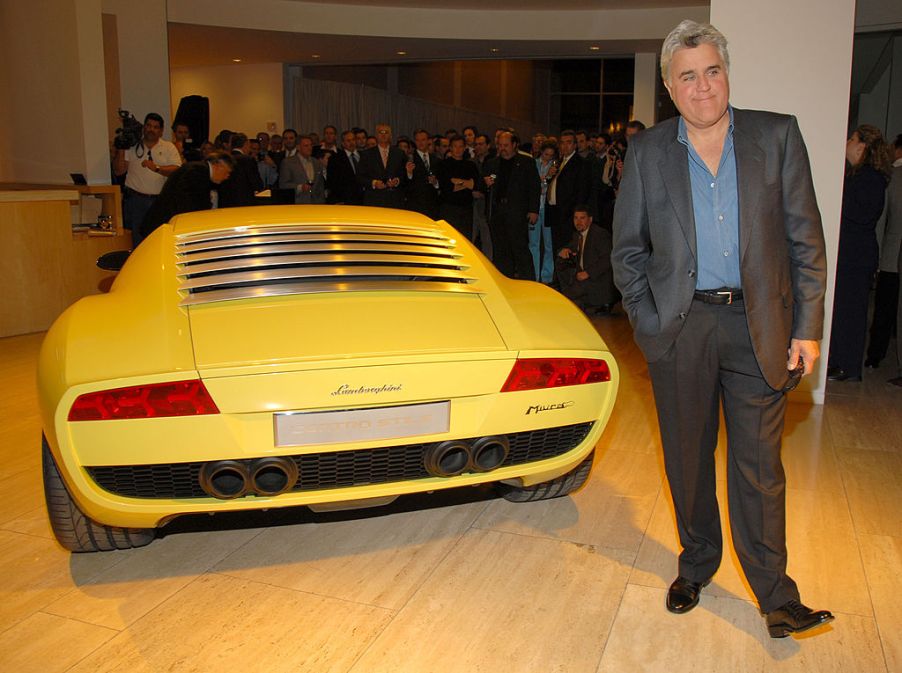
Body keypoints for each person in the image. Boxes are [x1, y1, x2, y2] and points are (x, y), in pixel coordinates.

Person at [611, 20, 833, 638]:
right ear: (669, 86)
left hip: (758, 326)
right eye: (688, 76)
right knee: (686, 458)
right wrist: (647, 320)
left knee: (759, 466)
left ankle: (776, 594)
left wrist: (807, 326)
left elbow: (805, 240)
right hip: (680, 328)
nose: (703, 86)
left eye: (712, 70)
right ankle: (697, 562)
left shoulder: (777, 135)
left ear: (726, 73)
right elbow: (627, 251)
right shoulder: (649, 151)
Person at [827, 125, 891, 381]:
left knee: (850, 311)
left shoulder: (870, 178)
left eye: (852, 138)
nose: (847, 142)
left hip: (856, 255)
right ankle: (840, 362)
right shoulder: (859, 176)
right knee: (843, 309)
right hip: (852, 253)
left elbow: (861, 215)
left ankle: (848, 366)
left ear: (862, 146)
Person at [113, 112, 182, 248]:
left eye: (156, 127)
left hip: (158, 201)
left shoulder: (168, 147)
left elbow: (177, 170)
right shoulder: (132, 145)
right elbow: (119, 171)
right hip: (135, 200)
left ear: (161, 131)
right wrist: (121, 149)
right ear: (144, 127)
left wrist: (157, 168)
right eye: (149, 126)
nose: (151, 129)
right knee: (135, 241)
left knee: (157, 240)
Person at [865, 133, 902, 371]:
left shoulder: (894, 179)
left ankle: (875, 357)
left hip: (891, 255)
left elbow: (882, 220)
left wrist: (876, 258)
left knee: (885, 310)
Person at [140, 151, 234, 242]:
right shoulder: (197, 172)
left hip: (165, 225)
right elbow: (190, 206)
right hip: (163, 226)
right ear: (218, 166)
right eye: (227, 172)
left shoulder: (198, 169)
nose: (227, 177)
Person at [484, 131, 540, 280]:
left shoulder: (526, 162)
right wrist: (486, 184)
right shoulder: (492, 163)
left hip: (517, 212)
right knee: (501, 250)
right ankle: (504, 280)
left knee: (520, 248)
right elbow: (481, 187)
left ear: (515, 145)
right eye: (500, 145)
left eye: (506, 145)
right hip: (497, 212)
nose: (503, 148)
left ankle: (529, 282)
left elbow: (534, 187)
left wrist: (533, 210)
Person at [556, 205, 614, 313]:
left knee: (562, 299)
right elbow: (567, 247)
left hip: (596, 280)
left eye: (582, 218)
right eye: (575, 218)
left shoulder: (600, 234)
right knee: (560, 260)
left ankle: (597, 302)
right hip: (582, 280)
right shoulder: (577, 235)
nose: (578, 222)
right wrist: (563, 251)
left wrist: (588, 273)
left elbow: (607, 259)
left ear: (590, 219)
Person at [544, 129, 589, 253]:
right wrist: (549, 176)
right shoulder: (559, 162)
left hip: (568, 214)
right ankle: (557, 272)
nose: (565, 146)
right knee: (556, 249)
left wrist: (576, 215)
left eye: (568, 142)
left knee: (567, 250)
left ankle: (567, 273)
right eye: (562, 143)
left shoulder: (580, 163)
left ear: (575, 145)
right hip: (555, 212)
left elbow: (581, 192)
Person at [434, 135, 480, 238]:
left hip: (466, 209)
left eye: (461, 146)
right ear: (450, 147)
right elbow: (448, 187)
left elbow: (475, 185)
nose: (458, 149)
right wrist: (467, 183)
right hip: (448, 208)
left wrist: (458, 182)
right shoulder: (443, 165)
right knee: (448, 238)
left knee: (465, 239)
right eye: (455, 146)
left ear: (464, 148)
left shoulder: (470, 165)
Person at [357, 124, 407, 209]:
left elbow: (404, 175)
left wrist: (397, 181)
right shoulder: (367, 154)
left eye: (386, 132)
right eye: (381, 132)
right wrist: (374, 183)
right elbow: (360, 177)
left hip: (395, 200)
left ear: (391, 136)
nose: (383, 135)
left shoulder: (399, 153)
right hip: (374, 200)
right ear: (376, 135)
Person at [532, 141, 557, 283]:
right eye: (546, 154)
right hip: (535, 207)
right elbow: (533, 184)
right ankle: (535, 275)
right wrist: (545, 177)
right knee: (534, 243)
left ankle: (547, 276)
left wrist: (547, 177)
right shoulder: (533, 164)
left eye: (551, 155)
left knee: (548, 243)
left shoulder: (555, 166)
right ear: (541, 152)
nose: (548, 157)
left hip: (547, 208)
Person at [218, 133, 263, 208]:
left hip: (226, 202)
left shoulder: (224, 159)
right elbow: (256, 183)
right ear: (245, 144)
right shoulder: (248, 160)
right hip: (244, 202)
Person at [280, 134, 326, 204]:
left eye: (311, 145)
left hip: (316, 203)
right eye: (306, 146)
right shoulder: (288, 163)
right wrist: (300, 187)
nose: (309, 148)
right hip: (298, 203)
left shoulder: (316, 162)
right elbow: (283, 184)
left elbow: (320, 185)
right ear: (298, 147)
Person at [405, 128, 440, 218]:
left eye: (423, 140)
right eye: (417, 140)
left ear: (428, 141)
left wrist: (436, 183)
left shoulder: (435, 159)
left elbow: (441, 180)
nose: (420, 143)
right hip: (415, 204)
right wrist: (409, 173)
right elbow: (404, 182)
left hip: (432, 204)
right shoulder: (409, 159)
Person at [327, 130, 363, 205]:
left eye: (353, 140)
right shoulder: (335, 159)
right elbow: (332, 181)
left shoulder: (364, 156)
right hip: (345, 200)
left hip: (363, 199)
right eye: (348, 140)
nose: (351, 143)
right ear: (343, 143)